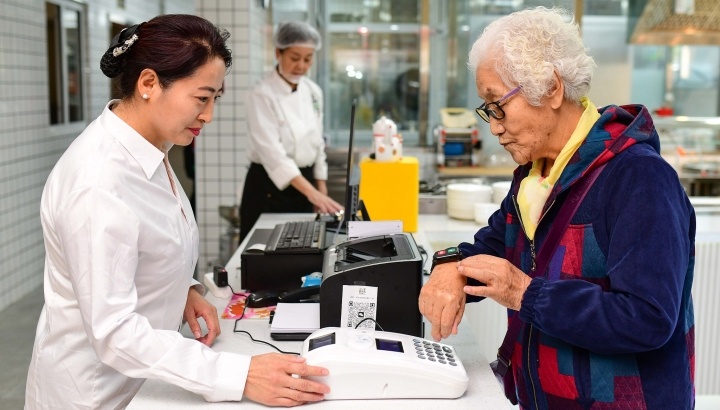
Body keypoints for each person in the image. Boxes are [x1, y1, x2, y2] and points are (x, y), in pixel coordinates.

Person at [25, 14, 329, 409]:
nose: (208, 115)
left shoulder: (147, 148)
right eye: (201, 98)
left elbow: (143, 242)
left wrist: (182, 288)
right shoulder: (97, 183)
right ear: (149, 83)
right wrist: (240, 375)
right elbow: (113, 331)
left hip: (144, 379)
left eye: (215, 99)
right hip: (97, 392)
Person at [418, 7, 695, 410]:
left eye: (498, 105)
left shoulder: (639, 178)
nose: (492, 126)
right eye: (487, 109)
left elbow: (646, 319)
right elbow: (490, 249)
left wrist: (524, 292)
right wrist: (448, 265)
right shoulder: (534, 175)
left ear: (550, 87)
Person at [239, 21, 343, 241]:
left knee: (301, 250)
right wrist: (313, 193)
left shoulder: (313, 91)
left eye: (308, 59)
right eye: (295, 58)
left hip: (305, 184)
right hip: (269, 187)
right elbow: (273, 156)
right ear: (278, 53)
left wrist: (320, 189)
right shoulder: (262, 94)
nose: (301, 66)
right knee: (262, 255)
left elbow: (318, 145)